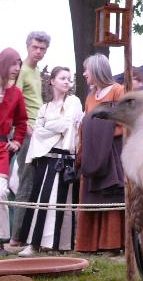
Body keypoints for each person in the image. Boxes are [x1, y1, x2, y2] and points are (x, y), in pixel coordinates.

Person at [17, 67, 82, 257]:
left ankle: (56, 244)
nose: (66, 81)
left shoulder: (73, 101)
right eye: (62, 78)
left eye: (68, 79)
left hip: (63, 159)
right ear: (52, 81)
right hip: (45, 158)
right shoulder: (44, 108)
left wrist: (49, 126)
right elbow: (38, 131)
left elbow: (68, 124)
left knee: (57, 202)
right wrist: (53, 128)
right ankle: (33, 243)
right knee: (39, 200)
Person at [75, 54, 125, 254]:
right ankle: (88, 244)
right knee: (90, 195)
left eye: (87, 69)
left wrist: (101, 131)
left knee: (110, 196)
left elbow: (125, 122)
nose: (84, 74)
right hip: (92, 153)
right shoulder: (89, 97)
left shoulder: (118, 91)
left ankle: (111, 244)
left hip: (112, 153)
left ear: (96, 70)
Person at [11, 31, 51, 246]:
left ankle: (26, 234)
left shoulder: (35, 72)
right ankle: (16, 237)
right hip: (26, 132)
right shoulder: (22, 71)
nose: (38, 51)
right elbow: (14, 101)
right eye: (35, 47)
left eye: (42, 49)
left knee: (34, 182)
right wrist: (25, 127)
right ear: (27, 46)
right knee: (25, 183)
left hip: (39, 131)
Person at [0, 48, 28, 253]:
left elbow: (21, 121)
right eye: (13, 64)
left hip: (2, 148)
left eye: (19, 64)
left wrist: (17, 141)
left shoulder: (16, 93)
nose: (17, 68)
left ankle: (1, 239)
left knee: (1, 192)